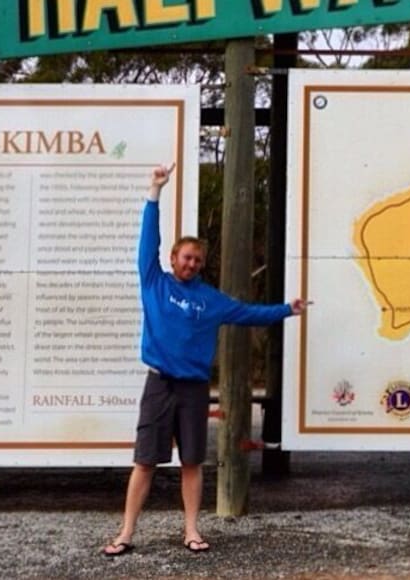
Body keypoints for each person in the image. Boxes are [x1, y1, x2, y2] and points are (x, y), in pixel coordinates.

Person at [103, 163, 308, 556]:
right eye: (186, 257)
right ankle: (126, 533)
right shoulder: (155, 281)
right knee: (145, 462)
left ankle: (192, 531)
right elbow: (149, 240)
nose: (191, 263)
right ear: (174, 257)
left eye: (198, 259)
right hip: (159, 384)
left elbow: (249, 313)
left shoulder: (211, 300)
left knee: (193, 462)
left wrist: (287, 309)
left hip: (195, 389)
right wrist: (155, 191)